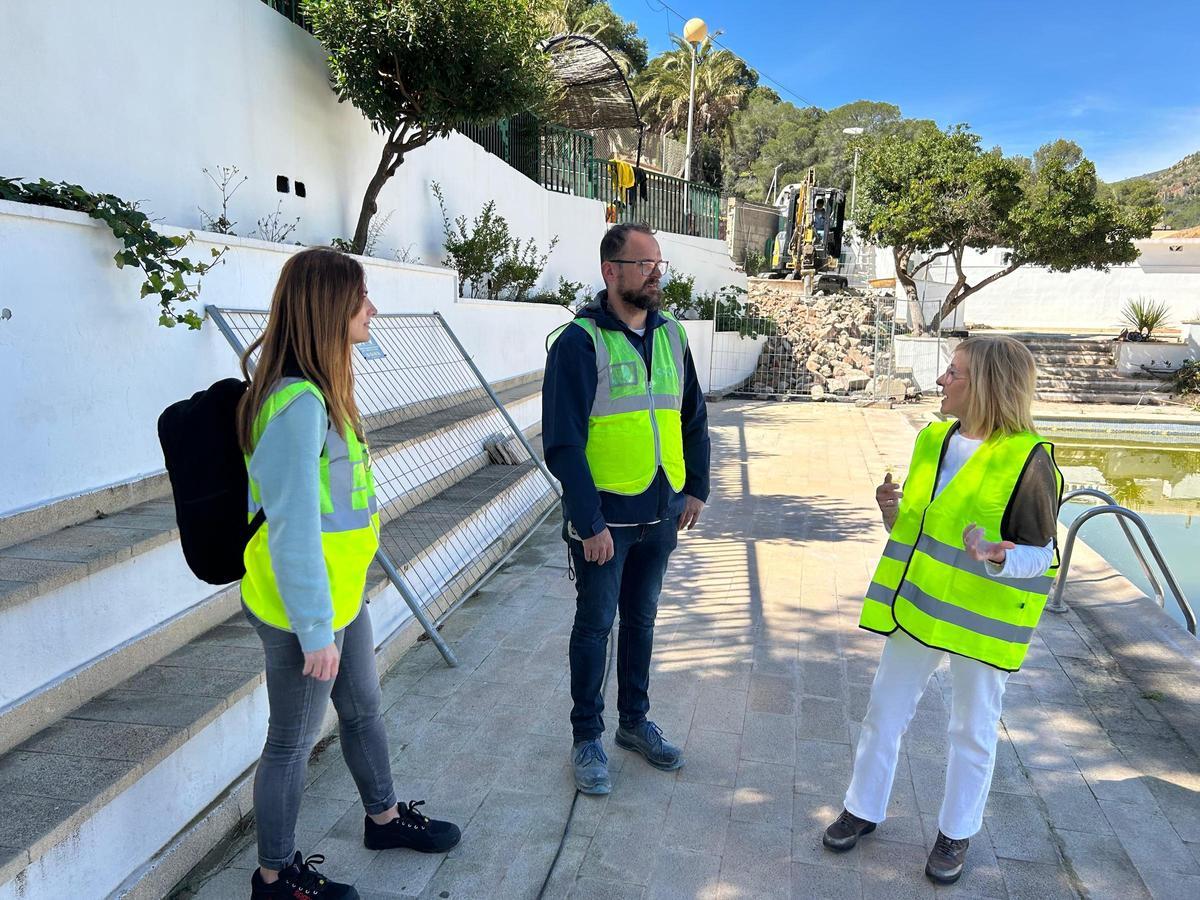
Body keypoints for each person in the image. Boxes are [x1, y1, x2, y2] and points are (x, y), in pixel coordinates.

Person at [238, 248, 461, 900]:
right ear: (330, 309)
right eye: (362, 298)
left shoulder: (327, 394)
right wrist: (313, 632)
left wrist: (337, 607)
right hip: (298, 610)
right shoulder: (298, 406)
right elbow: (292, 529)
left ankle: (384, 819)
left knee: (363, 710)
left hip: (340, 598)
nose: (373, 310)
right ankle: (274, 877)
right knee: (290, 742)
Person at [822, 335, 1063, 885]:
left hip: (978, 626)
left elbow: (1042, 556)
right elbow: (920, 525)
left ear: (985, 386)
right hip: (918, 608)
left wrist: (1002, 556)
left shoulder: (1028, 460)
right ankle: (862, 808)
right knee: (884, 711)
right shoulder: (932, 439)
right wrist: (891, 514)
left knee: (972, 730)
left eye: (952, 373)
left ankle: (955, 833)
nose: (940, 381)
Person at [543, 223, 711, 795]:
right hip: (605, 522)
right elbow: (562, 442)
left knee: (642, 620)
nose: (656, 273)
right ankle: (586, 735)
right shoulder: (578, 343)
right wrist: (588, 521)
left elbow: (692, 418)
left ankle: (634, 724)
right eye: (644, 264)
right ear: (611, 272)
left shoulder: (672, 336)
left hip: (662, 510)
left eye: (658, 263)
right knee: (595, 626)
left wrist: (697, 489)